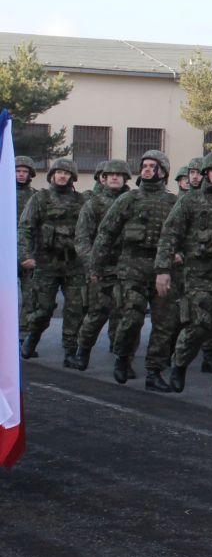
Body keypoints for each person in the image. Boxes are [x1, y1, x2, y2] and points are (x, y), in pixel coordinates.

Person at [158, 152, 212, 403]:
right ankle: (179, 363)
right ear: (206, 173)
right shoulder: (190, 201)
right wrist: (163, 269)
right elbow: (170, 234)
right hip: (199, 276)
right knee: (198, 326)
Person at [90, 150, 176, 384]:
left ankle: (154, 371)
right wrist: (96, 266)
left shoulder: (173, 202)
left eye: (152, 166)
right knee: (131, 317)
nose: (147, 170)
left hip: (162, 269)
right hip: (131, 266)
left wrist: (178, 254)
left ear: (163, 172)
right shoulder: (128, 199)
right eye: (144, 166)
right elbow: (106, 234)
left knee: (164, 323)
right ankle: (122, 357)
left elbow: (183, 235)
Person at [18, 157, 88, 363]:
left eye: (66, 173)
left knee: (75, 309)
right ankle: (32, 337)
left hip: (73, 264)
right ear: (52, 175)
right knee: (43, 309)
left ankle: (70, 351)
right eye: (59, 172)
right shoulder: (40, 199)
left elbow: (89, 230)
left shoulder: (81, 201)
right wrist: (25, 256)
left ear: (72, 177)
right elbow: (25, 229)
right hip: (46, 263)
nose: (62, 176)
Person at [69, 159, 132, 370]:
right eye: (110, 174)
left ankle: (123, 359)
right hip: (101, 268)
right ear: (103, 178)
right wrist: (92, 264)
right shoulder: (93, 205)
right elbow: (82, 239)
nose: (114, 177)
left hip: (129, 268)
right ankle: (83, 351)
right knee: (97, 314)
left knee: (127, 316)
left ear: (125, 178)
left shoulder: (133, 202)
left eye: (118, 174)